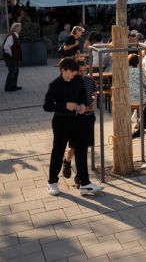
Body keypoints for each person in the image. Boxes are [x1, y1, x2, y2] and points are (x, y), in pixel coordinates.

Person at [44, 58, 103, 196]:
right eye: (72, 72)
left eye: (75, 72)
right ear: (63, 70)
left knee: (81, 151)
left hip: (78, 121)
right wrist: (64, 106)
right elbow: (47, 106)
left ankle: (85, 184)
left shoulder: (78, 80)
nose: (74, 75)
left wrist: (82, 104)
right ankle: (52, 182)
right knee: (58, 151)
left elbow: (83, 95)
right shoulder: (54, 85)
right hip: (61, 122)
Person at [61, 58, 96, 186]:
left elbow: (94, 93)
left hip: (89, 117)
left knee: (84, 148)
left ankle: (79, 177)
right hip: (76, 119)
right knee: (75, 147)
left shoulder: (89, 80)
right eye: (79, 71)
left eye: (84, 71)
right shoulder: (70, 83)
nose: (82, 74)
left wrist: (94, 102)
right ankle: (67, 161)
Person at [3, 22, 23, 91]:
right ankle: (8, 87)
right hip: (11, 58)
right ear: (15, 28)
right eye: (19, 27)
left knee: (16, 71)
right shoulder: (11, 36)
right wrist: (12, 54)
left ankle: (13, 85)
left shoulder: (15, 35)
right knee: (12, 72)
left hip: (14, 57)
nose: (20, 28)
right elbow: (6, 47)